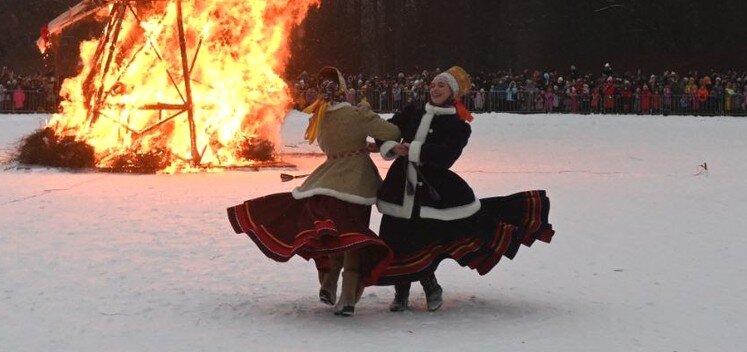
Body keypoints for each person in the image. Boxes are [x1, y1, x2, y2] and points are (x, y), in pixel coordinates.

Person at [375, 66, 554, 312]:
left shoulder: (458, 123)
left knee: (425, 238)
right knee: (395, 237)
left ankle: (430, 285)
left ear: (453, 92)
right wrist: (392, 147)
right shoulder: (413, 111)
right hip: (400, 185)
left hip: (432, 188)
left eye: (442, 85)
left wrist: (415, 150)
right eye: (434, 84)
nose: (435, 89)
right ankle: (401, 290)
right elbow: (386, 130)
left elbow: (447, 155)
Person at [228, 66, 402, 316]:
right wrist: (365, 120)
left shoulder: (320, 117)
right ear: (343, 88)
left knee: (335, 236)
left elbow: (333, 144)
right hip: (355, 183)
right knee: (354, 239)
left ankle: (329, 284)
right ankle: (348, 298)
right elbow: (392, 132)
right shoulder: (357, 114)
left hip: (328, 179)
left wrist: (359, 144)